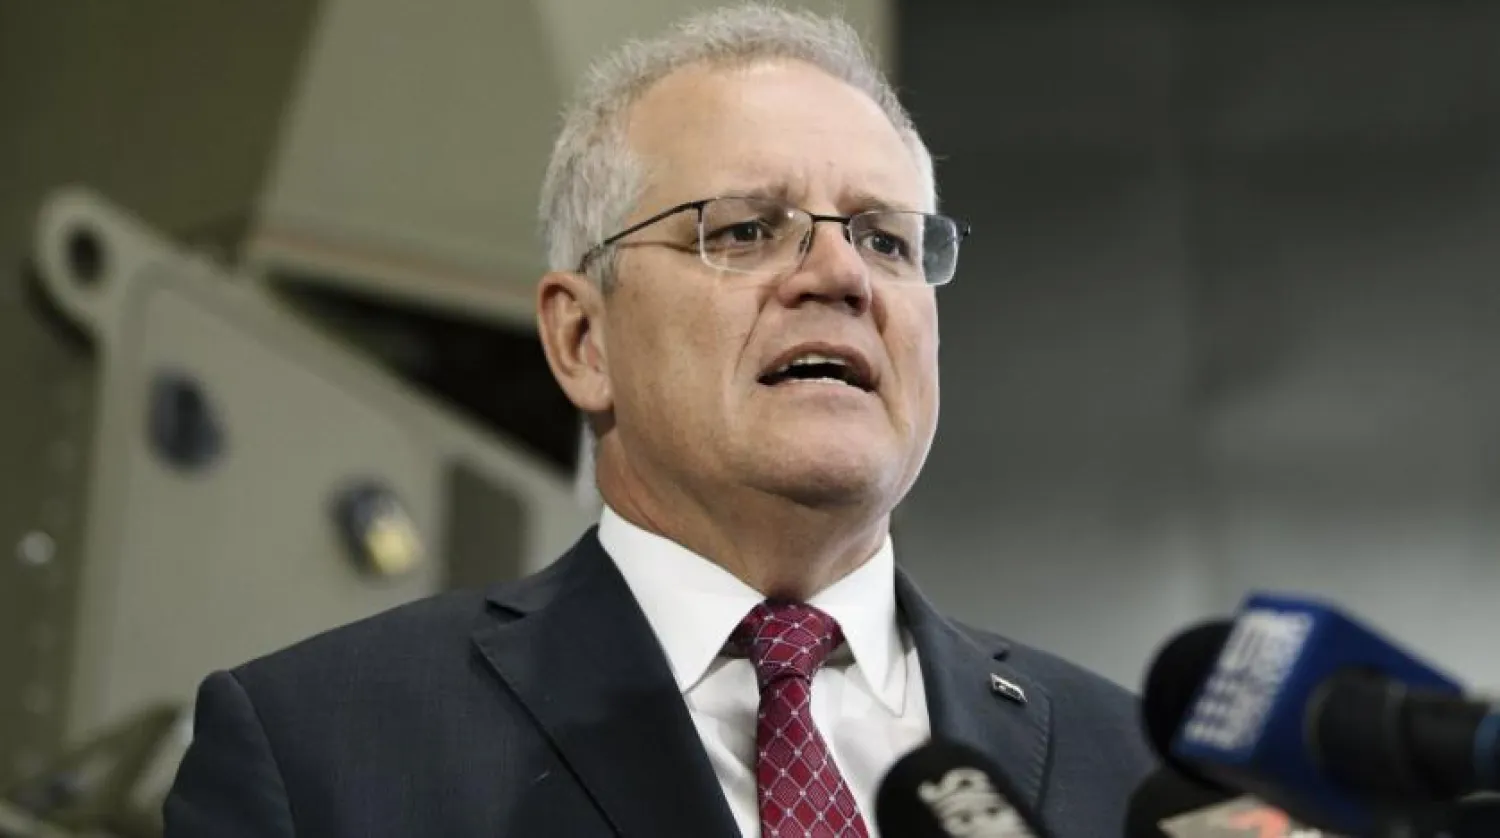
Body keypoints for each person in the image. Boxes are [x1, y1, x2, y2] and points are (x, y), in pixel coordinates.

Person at [163, 4, 1154, 836]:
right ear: (584, 340)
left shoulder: (1136, 770)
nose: (843, 276)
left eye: (887, 239)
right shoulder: (321, 751)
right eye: (746, 230)